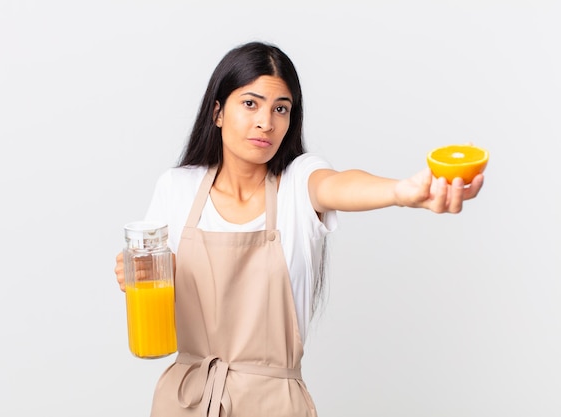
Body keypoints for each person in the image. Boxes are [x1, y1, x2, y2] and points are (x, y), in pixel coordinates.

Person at [114, 41, 484, 417]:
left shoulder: (296, 183)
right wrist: (140, 274)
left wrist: (401, 192)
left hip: (273, 406)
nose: (266, 122)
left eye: (281, 109)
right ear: (218, 112)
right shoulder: (176, 188)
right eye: (250, 104)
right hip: (186, 401)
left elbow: (337, 184)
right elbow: (154, 285)